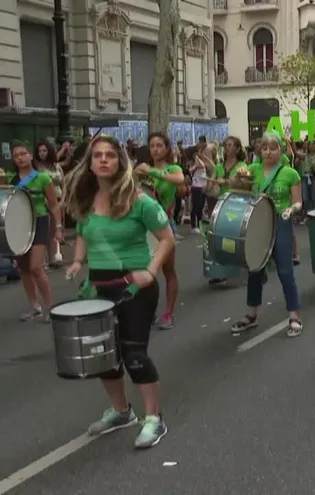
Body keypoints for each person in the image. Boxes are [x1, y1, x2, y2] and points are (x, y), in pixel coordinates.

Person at [64, 135, 175, 448]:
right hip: (98, 286)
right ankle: (121, 411)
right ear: (89, 164)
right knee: (104, 356)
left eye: (110, 155)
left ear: (120, 162)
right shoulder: (86, 202)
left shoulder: (141, 201)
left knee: (134, 353)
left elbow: (166, 239)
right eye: (97, 155)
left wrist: (150, 271)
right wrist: (76, 262)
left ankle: (154, 418)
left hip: (135, 286)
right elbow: (85, 233)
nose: (102, 160)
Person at [230, 131, 304, 337]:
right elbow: (232, 187)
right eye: (264, 148)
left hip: (281, 221)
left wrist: (292, 209)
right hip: (257, 223)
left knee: (285, 271)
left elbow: (298, 201)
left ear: (281, 150)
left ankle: (294, 316)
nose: (268, 152)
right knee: (254, 269)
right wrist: (238, 176)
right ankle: (251, 315)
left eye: (273, 148)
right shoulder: (252, 169)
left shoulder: (290, 173)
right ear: (259, 151)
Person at [6, 141, 64, 323]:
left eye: (23, 153)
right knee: (23, 268)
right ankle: (34, 306)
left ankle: (49, 306)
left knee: (36, 267)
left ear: (31, 156)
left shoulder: (43, 178)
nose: (20, 158)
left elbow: (54, 205)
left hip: (39, 221)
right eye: (16, 156)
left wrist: (59, 228)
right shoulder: (11, 180)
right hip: (18, 224)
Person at [134, 133, 184, 330]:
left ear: (166, 148)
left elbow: (178, 179)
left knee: (167, 270)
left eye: (159, 145)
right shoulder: (142, 168)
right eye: (152, 146)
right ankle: (148, 310)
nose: (155, 149)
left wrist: (152, 173)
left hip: (164, 222)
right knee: (144, 269)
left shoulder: (173, 168)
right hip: (141, 224)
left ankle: (168, 313)